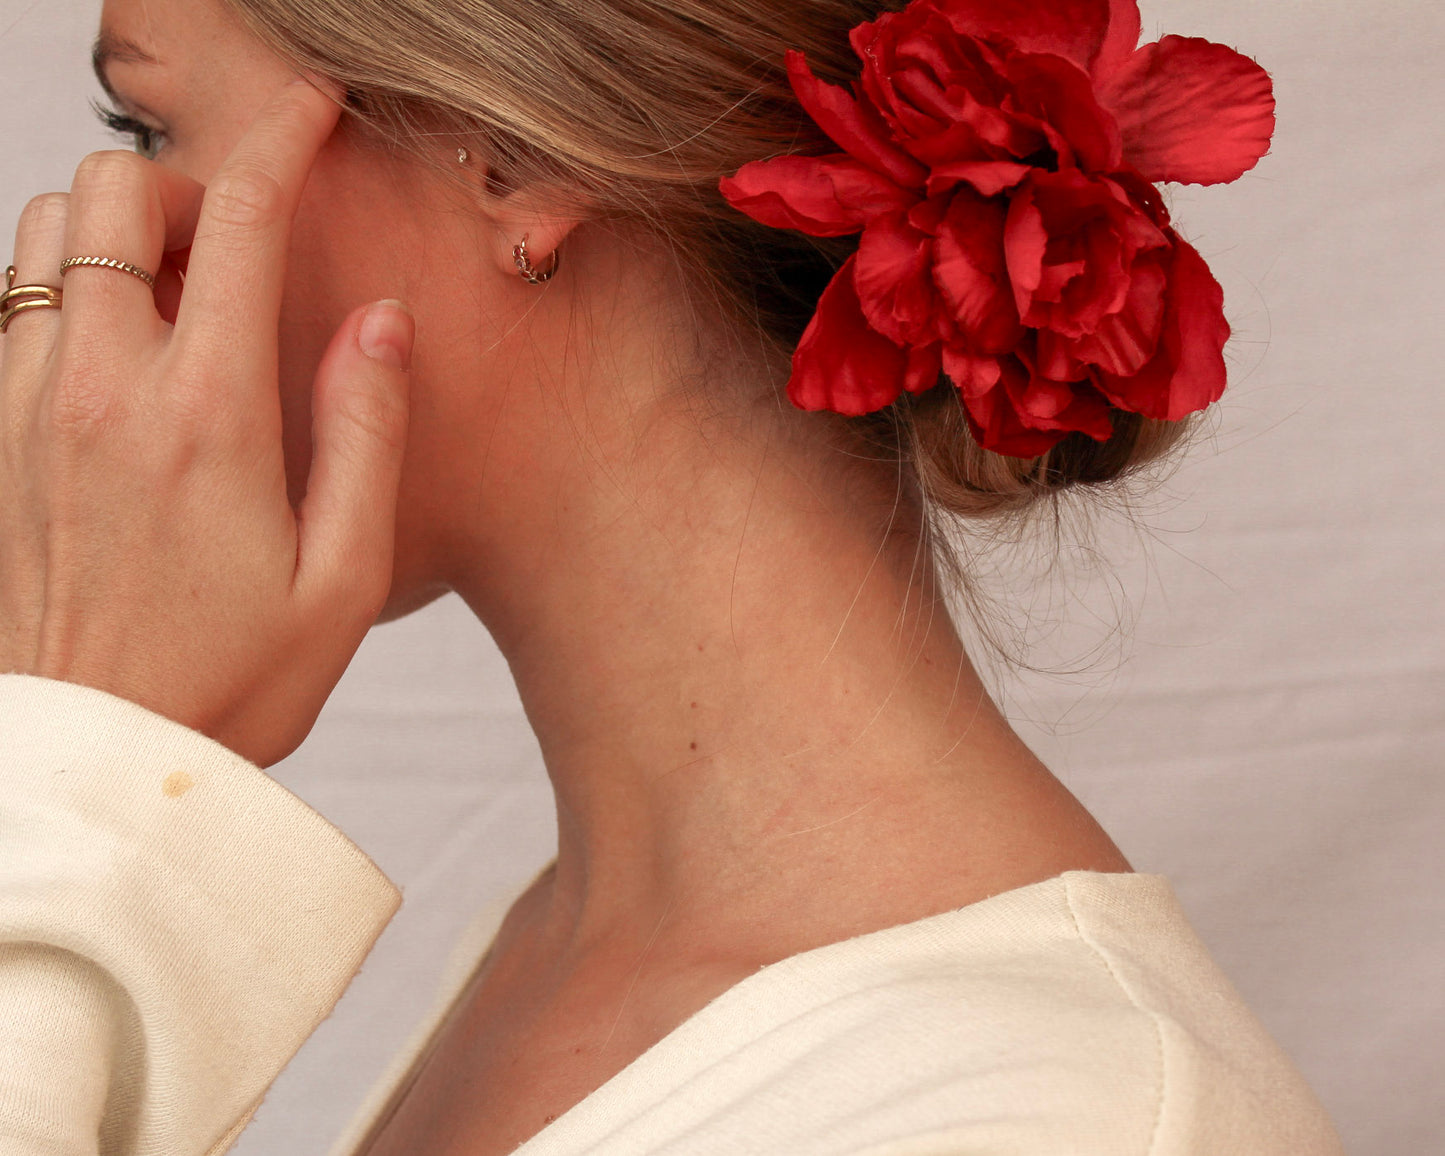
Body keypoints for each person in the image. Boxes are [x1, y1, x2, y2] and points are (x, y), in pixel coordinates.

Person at [0, 0, 1345, 1153]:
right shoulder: (576, 950)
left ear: (511, 156)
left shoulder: (1049, 1121)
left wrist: (84, 768)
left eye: (148, 131)